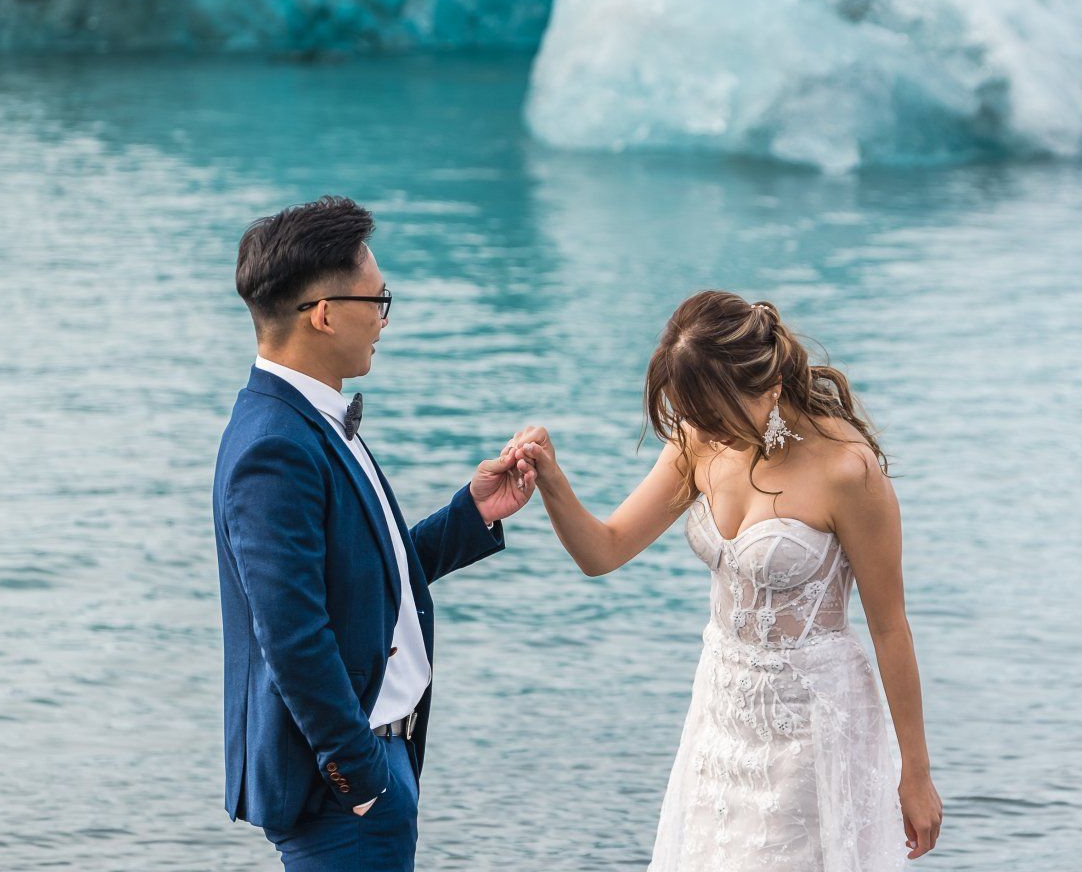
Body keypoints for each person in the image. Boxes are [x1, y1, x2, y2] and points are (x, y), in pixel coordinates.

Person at [510, 289, 943, 868]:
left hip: (814, 729)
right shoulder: (698, 442)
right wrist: (551, 481)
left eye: (713, 415)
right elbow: (604, 551)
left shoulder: (847, 470)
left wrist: (915, 773)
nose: (701, 431)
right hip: (720, 714)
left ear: (769, 388)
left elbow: (890, 629)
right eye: (691, 414)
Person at [211, 195, 537, 870]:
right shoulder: (274, 446)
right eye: (377, 300)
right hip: (342, 791)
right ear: (325, 314)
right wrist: (357, 777)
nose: (384, 320)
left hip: (372, 768)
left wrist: (469, 517)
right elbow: (293, 635)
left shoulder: (312, 418)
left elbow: (359, 577)